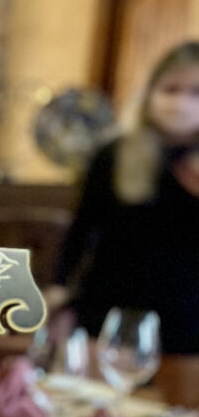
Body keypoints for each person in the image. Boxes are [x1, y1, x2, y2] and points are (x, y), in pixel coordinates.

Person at [56, 40, 199, 359]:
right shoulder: (115, 155)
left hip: (189, 326)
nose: (181, 103)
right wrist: (62, 297)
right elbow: (81, 232)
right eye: (171, 89)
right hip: (112, 317)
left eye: (195, 93)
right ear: (150, 93)